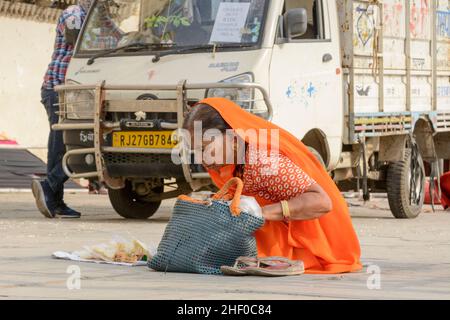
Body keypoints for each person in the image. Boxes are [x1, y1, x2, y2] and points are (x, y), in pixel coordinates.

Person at [182, 97, 362, 274]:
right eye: (196, 150)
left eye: (204, 147)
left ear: (233, 138)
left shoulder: (263, 161)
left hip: (317, 243)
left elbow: (322, 202)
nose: (200, 158)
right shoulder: (229, 164)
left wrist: (259, 213)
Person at [32, 0, 94, 219]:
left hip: (74, 91)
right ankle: (49, 187)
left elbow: (119, 37)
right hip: (59, 88)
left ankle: (54, 200)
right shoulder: (73, 13)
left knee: (59, 145)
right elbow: (78, 41)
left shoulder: (97, 16)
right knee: (66, 143)